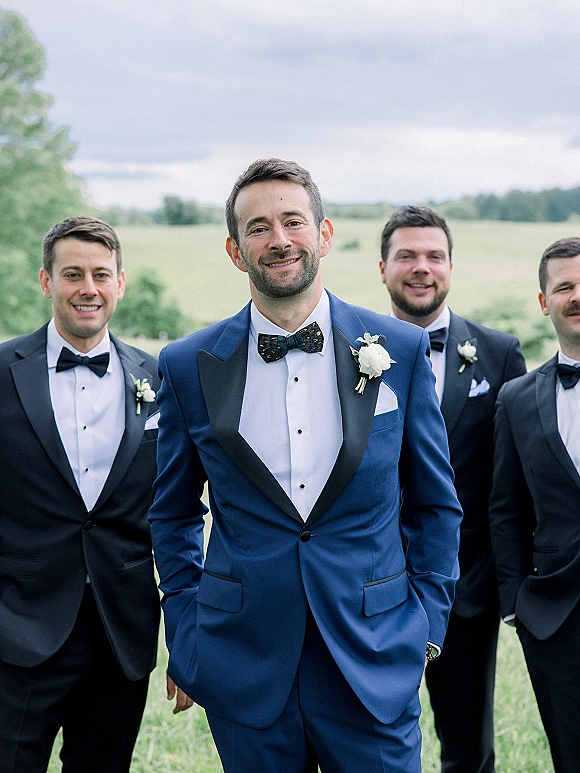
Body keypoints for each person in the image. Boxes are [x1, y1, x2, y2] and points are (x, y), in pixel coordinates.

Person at [149, 158, 462, 773]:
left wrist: (424, 623)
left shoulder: (398, 349)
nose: (279, 239)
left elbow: (435, 502)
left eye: (293, 221)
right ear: (237, 251)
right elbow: (173, 512)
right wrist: (187, 630)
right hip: (245, 659)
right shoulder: (187, 364)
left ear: (323, 234)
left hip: (372, 655)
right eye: (258, 227)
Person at [0, 217, 166, 773]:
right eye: (72, 274)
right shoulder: (2, 372)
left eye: (101, 274)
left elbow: (178, 509)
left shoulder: (159, 378)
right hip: (16, 633)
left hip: (121, 636)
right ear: (46, 283)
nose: (87, 288)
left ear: (121, 282)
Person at [379, 205, 525, 773]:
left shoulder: (499, 352)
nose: (421, 267)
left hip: (468, 587)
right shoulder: (348, 350)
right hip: (372, 587)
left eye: (433, 256)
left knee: (467, 746)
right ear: (382, 267)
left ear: (451, 266)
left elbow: (513, 477)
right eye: (407, 256)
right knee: (370, 740)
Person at [489, 237, 580, 773]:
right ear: (543, 302)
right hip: (556, 616)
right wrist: (514, 599)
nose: (576, 297)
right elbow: (505, 508)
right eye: (563, 286)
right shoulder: (516, 398)